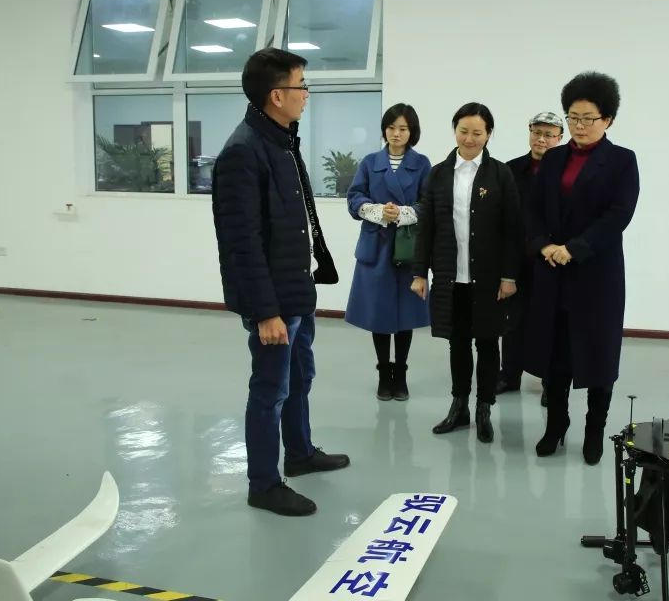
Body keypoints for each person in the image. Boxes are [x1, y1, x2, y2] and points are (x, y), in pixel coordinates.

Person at [211, 48, 350, 517]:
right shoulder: (243, 151)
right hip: (273, 301)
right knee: (270, 389)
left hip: (295, 290)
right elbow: (242, 243)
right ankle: (264, 483)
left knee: (300, 377)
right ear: (276, 95)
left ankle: (300, 452)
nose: (306, 94)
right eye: (301, 85)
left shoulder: (280, 141)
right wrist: (265, 312)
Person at [526, 72, 640, 465]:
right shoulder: (553, 158)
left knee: (598, 356)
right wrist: (544, 245)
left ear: (608, 119)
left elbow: (618, 215)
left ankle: (594, 432)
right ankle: (556, 426)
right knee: (555, 356)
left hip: (597, 274)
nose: (579, 125)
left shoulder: (622, 161)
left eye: (588, 118)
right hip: (553, 271)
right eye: (573, 117)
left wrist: (574, 249)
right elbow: (532, 210)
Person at [411, 102, 522, 443]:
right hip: (450, 276)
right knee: (457, 344)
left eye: (477, 132)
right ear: (454, 131)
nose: (470, 139)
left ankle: (483, 409)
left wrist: (509, 276)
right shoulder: (438, 174)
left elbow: (512, 229)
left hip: (488, 278)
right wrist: (419, 273)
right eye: (463, 131)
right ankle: (459, 407)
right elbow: (426, 227)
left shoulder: (500, 174)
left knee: (487, 343)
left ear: (488, 134)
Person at [345, 103, 432, 401]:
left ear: (412, 132)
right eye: (392, 127)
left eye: (403, 128)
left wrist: (404, 213)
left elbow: (430, 203)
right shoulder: (370, 162)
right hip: (376, 246)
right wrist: (378, 210)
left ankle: (401, 373)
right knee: (379, 313)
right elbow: (354, 197)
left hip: (408, 247)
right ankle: (384, 372)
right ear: (384, 129)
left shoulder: (422, 163)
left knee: (405, 314)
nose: (396, 133)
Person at [497, 112, 565, 406]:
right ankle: (509, 375)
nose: (542, 139)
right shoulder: (510, 169)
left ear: (560, 138)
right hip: (518, 259)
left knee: (551, 323)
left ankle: (551, 381)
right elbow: (502, 217)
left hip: (552, 260)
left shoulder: (566, 171)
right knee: (513, 321)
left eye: (549, 134)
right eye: (537, 132)